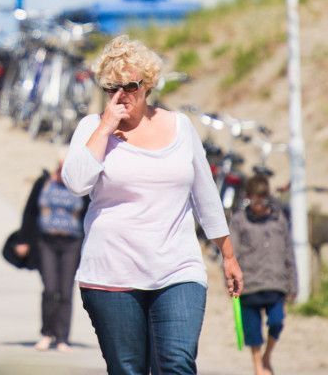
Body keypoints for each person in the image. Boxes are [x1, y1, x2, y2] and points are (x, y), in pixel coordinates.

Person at [62, 35, 242, 375]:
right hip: (111, 272)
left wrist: (228, 256)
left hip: (177, 268)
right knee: (129, 370)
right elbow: (76, 183)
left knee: (177, 364)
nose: (120, 96)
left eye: (128, 86)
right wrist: (105, 127)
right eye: (110, 88)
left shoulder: (180, 127)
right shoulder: (92, 129)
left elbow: (206, 196)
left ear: (147, 85)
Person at [228, 174, 297, 375]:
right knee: (253, 332)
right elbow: (232, 253)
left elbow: (289, 253)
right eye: (253, 199)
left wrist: (293, 285)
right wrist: (231, 282)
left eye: (262, 199)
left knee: (276, 322)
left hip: (275, 284)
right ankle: (259, 366)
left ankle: (267, 356)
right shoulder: (239, 221)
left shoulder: (278, 220)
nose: (257, 205)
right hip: (248, 285)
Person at [15, 157, 87, 352]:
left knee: (65, 290)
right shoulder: (43, 183)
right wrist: (23, 240)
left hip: (72, 242)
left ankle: (62, 337)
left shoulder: (81, 185)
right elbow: (30, 212)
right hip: (46, 241)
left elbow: (89, 213)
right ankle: (47, 333)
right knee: (49, 288)